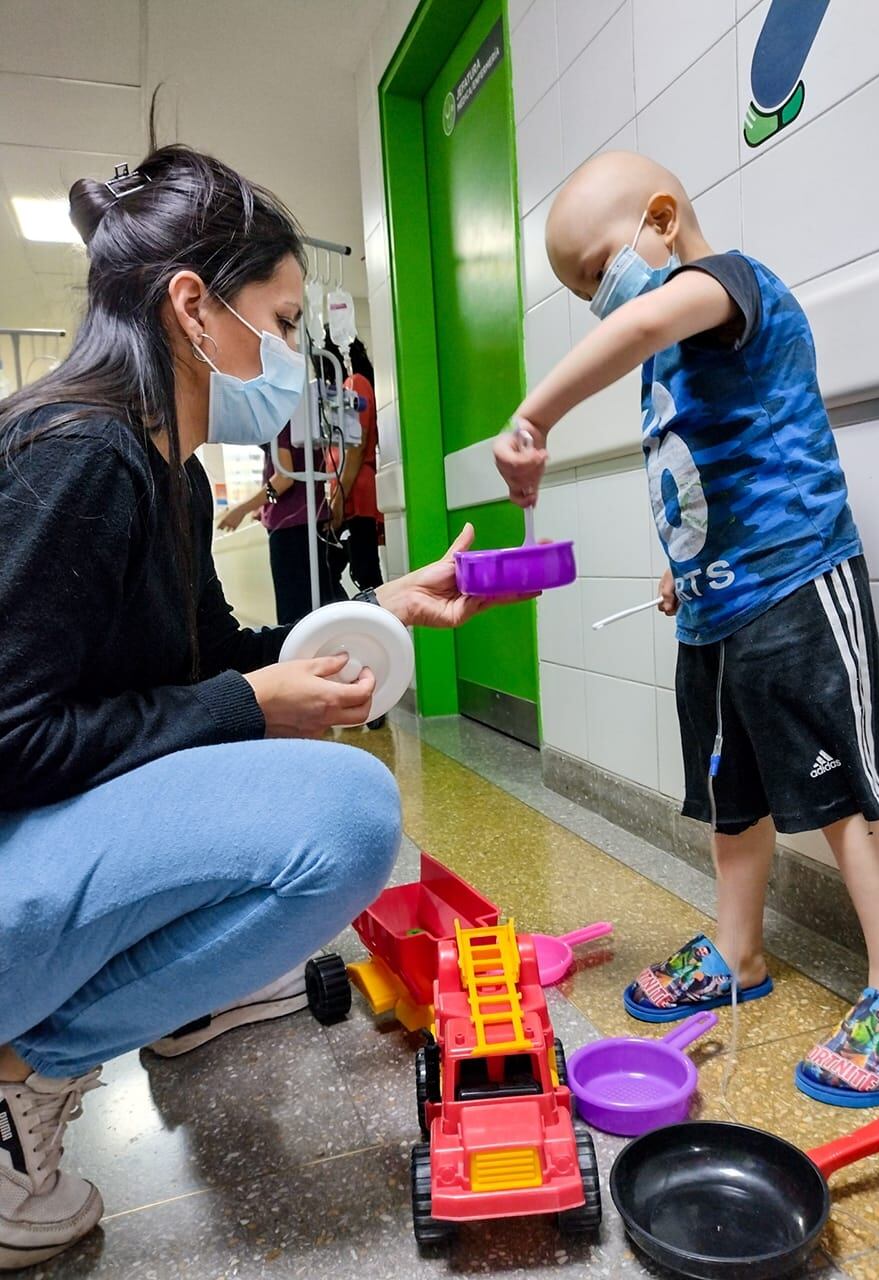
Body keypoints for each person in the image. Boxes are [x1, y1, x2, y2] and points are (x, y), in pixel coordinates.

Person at [0, 137, 512, 1271]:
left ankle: (43, 1050)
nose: (293, 359)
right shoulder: (77, 454)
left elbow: (213, 657)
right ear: (192, 306)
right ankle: (20, 1068)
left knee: (318, 805)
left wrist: (375, 606)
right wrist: (246, 703)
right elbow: (11, 739)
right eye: (280, 326)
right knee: (342, 810)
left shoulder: (163, 472)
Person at [494, 150, 879, 1108]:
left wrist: (533, 416)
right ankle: (739, 949)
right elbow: (699, 469)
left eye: (595, 272)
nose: (598, 299)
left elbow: (649, 315)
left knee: (843, 794)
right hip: (713, 609)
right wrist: (682, 569)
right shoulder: (665, 345)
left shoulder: (726, 284)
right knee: (728, 798)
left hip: (796, 585)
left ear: (662, 219)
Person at [218, 420, 347, 621]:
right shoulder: (303, 418)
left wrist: (242, 509)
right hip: (312, 521)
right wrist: (265, 507)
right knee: (325, 603)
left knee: (296, 615)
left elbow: (284, 479)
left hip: (291, 529)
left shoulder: (282, 421)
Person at [321, 328, 384, 595]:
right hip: (350, 488)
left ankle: (383, 630)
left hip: (356, 491)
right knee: (344, 569)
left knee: (364, 572)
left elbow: (355, 449)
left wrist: (338, 502)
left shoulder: (355, 384)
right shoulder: (351, 387)